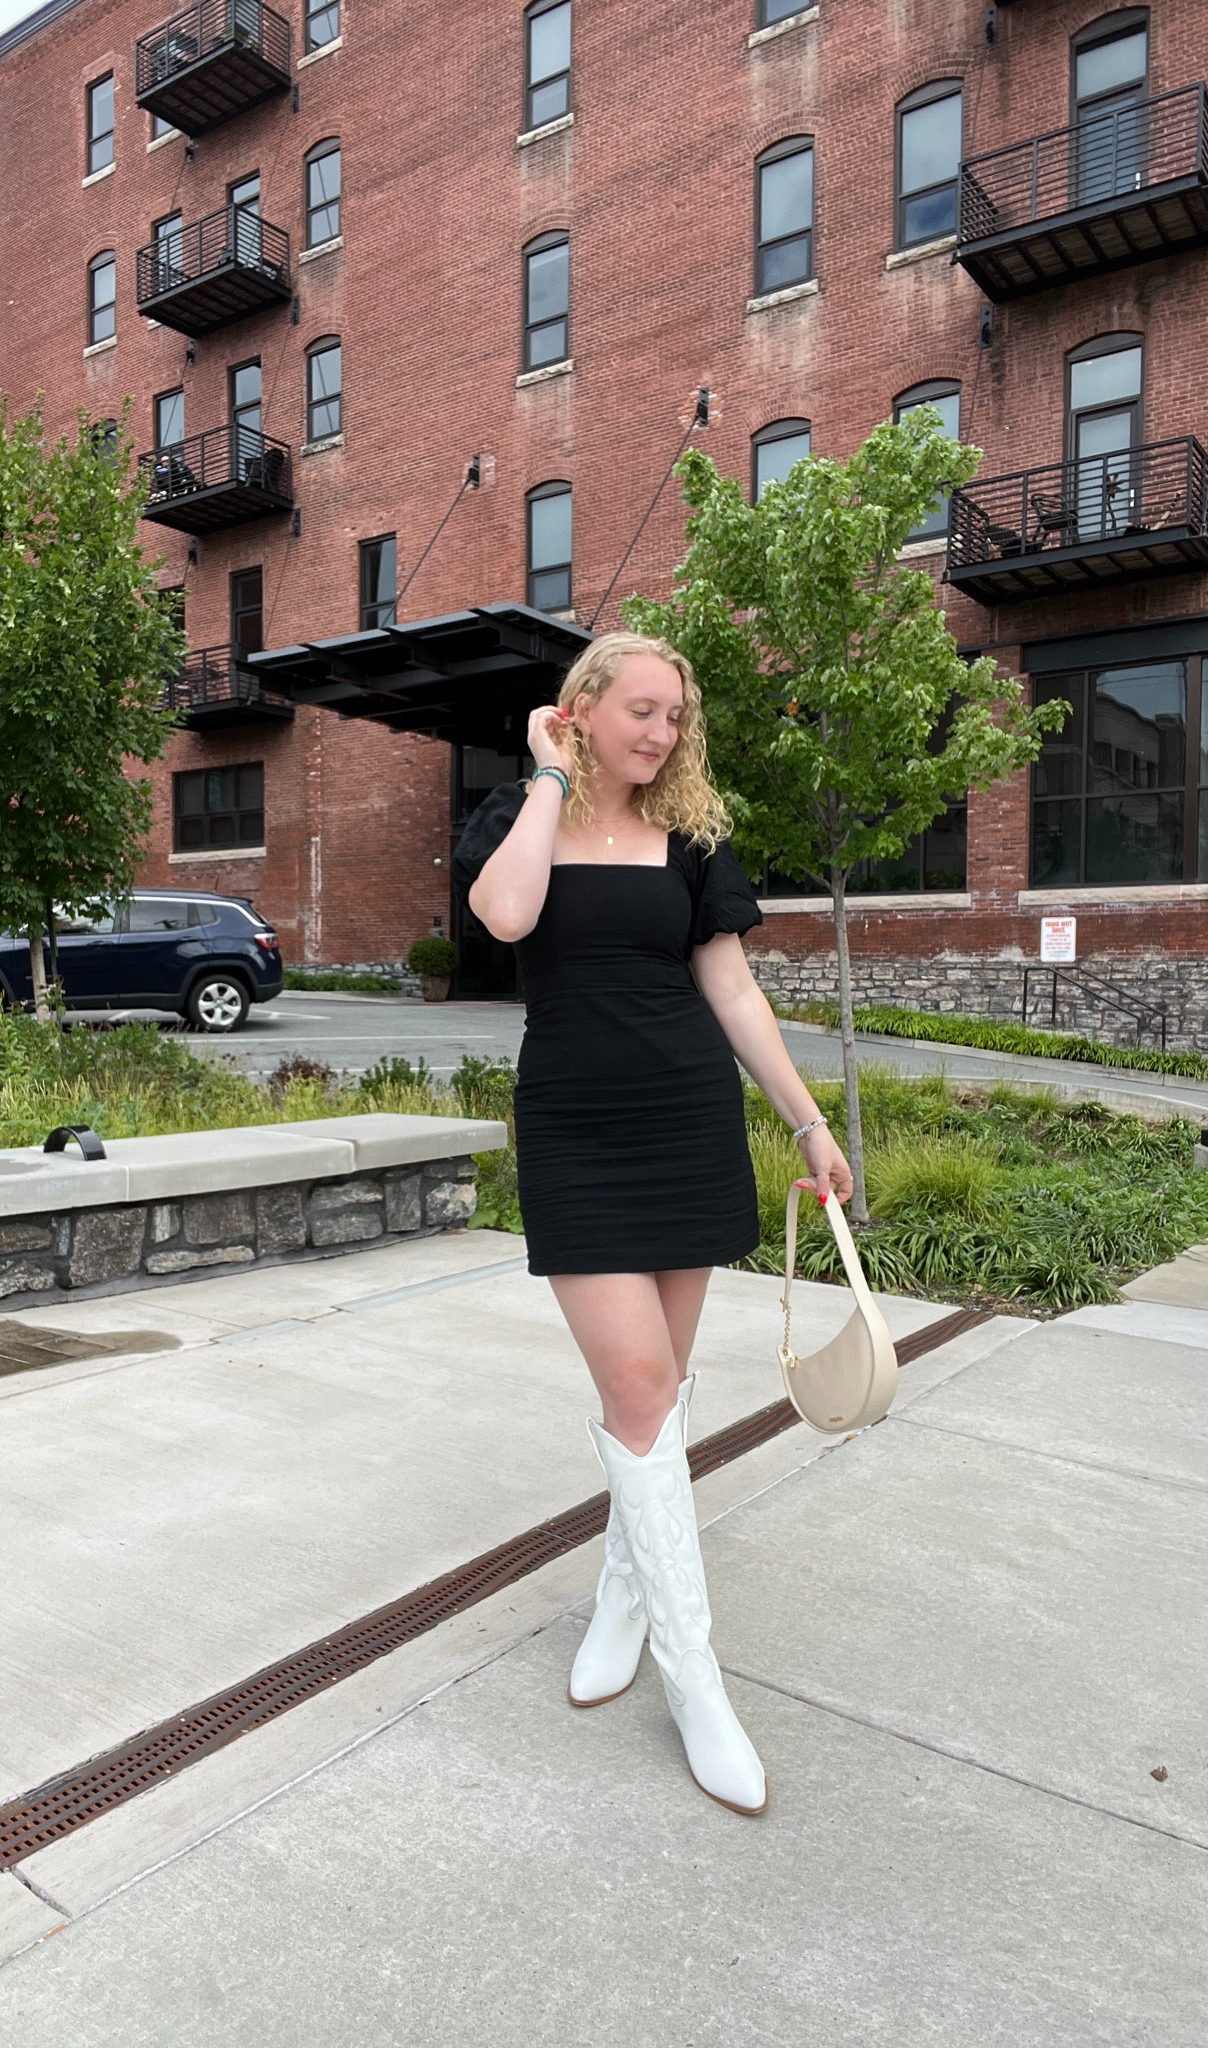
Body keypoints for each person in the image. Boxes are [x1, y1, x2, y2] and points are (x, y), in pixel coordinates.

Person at [452, 631, 852, 1816]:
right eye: (638, 710)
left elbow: (730, 987)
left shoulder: (694, 840)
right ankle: (698, 1684)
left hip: (685, 1116)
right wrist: (545, 774)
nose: (660, 734)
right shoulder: (521, 816)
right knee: (638, 1389)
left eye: (674, 715)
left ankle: (627, 1598)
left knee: (661, 1392)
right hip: (576, 1127)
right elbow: (507, 919)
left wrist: (807, 1122)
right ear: (579, 708)